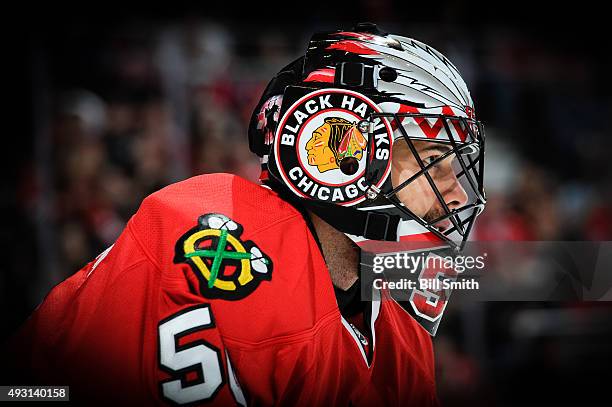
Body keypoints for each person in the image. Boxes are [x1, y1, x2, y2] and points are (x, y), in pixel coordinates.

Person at [4, 23, 486, 406]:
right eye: (433, 160)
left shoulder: (395, 319)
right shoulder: (224, 239)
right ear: (342, 153)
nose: (458, 194)